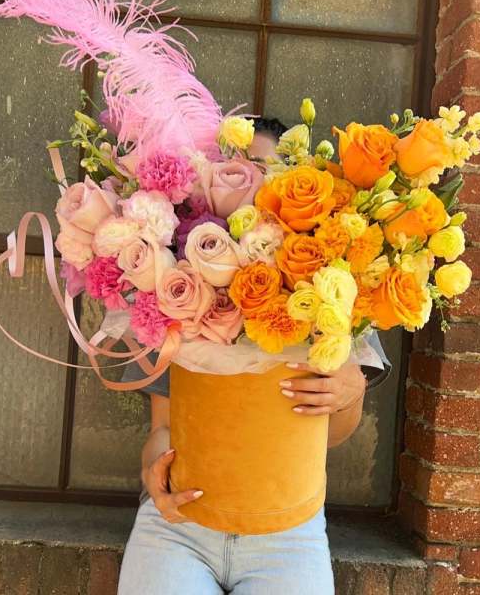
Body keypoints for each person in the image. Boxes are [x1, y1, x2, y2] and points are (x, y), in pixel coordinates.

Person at [117, 119, 391, 594]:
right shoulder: (179, 287)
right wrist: (155, 473)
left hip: (287, 530)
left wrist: (350, 389)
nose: (248, 190)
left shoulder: (328, 287)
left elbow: (330, 437)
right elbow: (163, 426)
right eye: (232, 174)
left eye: (264, 174)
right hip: (179, 524)